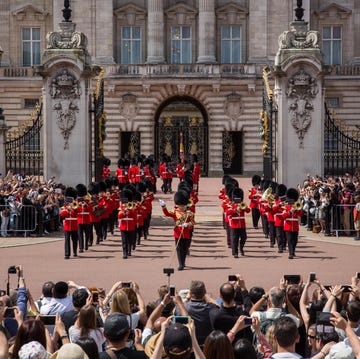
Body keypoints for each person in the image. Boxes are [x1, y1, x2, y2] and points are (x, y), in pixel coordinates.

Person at [159, 191, 195, 271]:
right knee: (179, 248)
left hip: (186, 233)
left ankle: (183, 261)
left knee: (185, 249)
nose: (182, 207)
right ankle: (180, 264)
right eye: (180, 205)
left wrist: (188, 224)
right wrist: (163, 206)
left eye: (183, 205)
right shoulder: (175, 212)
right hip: (177, 233)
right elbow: (167, 213)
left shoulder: (190, 213)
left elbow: (193, 222)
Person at [176, 280, 218, 347]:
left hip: (190, 343)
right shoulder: (211, 307)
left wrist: (186, 299)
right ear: (204, 292)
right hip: (207, 343)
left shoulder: (181, 308)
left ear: (190, 293)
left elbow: (175, 312)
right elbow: (218, 307)